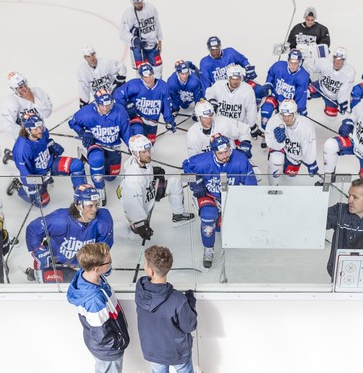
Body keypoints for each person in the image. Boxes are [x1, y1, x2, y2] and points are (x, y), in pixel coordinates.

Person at [182, 133, 258, 268]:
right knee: (208, 217)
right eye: (221, 153)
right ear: (213, 152)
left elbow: (251, 185)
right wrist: (197, 182)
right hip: (209, 195)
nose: (225, 156)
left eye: (227, 151)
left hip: (230, 196)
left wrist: (248, 200)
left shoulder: (240, 159)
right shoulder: (202, 161)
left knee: (222, 226)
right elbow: (186, 165)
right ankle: (208, 249)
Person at [25, 184, 113, 283]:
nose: (95, 209)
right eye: (90, 205)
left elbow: (103, 247)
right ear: (78, 205)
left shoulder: (103, 220)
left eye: (96, 204)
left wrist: (101, 261)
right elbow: (33, 229)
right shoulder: (60, 220)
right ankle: (36, 275)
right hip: (56, 261)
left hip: (84, 265)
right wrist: (38, 250)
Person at [67, 243, 130, 373]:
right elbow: (101, 336)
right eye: (109, 262)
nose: (111, 264)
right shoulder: (95, 301)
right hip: (108, 351)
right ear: (96, 268)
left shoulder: (86, 274)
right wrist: (120, 341)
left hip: (101, 346)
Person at [119, 134, 194, 241]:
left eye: (149, 150)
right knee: (135, 235)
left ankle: (178, 216)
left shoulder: (140, 161)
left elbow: (144, 172)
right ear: (135, 153)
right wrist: (140, 224)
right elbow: (131, 204)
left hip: (148, 192)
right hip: (138, 204)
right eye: (144, 152)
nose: (148, 154)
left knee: (174, 183)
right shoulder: (133, 179)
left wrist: (153, 172)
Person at [136, 245, 197, 373]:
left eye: (145, 264)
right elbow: (189, 326)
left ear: (151, 271)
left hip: (153, 351)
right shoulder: (178, 300)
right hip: (177, 353)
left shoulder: (140, 291)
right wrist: (190, 302)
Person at [7, 113, 87, 207]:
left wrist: (51, 145)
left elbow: (45, 140)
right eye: (36, 129)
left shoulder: (42, 132)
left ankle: (83, 197)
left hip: (50, 163)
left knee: (77, 165)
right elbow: (25, 174)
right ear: (27, 130)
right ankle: (18, 186)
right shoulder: (22, 149)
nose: (40, 130)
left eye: (40, 127)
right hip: (38, 175)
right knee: (42, 202)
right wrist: (33, 188)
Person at [69, 88, 131, 206]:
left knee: (111, 177)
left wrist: (132, 146)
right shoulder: (87, 112)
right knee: (97, 160)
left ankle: (84, 156)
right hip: (96, 144)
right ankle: (100, 189)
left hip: (113, 146)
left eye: (109, 104)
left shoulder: (120, 110)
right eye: (102, 105)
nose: (106, 108)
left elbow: (125, 131)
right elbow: (72, 122)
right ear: (96, 103)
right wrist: (83, 132)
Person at [113, 63, 177, 144]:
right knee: (137, 142)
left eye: (150, 75)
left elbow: (166, 106)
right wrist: (127, 105)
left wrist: (169, 121)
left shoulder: (163, 87)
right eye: (145, 77)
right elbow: (117, 95)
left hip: (152, 122)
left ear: (153, 73)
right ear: (142, 77)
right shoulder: (134, 85)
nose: (149, 79)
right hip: (137, 118)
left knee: (149, 145)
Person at [0, 71, 53, 164]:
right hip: (24, 137)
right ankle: (13, 154)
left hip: (41, 131)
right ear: (14, 89)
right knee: (29, 157)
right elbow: (8, 126)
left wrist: (33, 99)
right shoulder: (10, 102)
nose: (25, 89)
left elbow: (47, 113)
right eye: (20, 87)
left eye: (24, 84)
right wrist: (28, 135)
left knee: (47, 154)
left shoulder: (38, 92)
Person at [264, 99, 320, 185]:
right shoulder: (274, 121)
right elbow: (270, 143)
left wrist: (310, 162)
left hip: (294, 154)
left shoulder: (306, 127)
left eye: (289, 116)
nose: (286, 119)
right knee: (276, 160)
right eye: (284, 115)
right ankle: (273, 187)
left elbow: (309, 146)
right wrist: (278, 141)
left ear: (295, 114)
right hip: (280, 149)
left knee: (289, 176)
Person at [204, 64, 260, 142]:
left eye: (238, 79)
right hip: (220, 125)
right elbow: (208, 92)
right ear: (228, 78)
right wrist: (211, 100)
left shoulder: (247, 89)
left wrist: (252, 125)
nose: (235, 81)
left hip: (238, 126)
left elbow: (251, 109)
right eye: (233, 79)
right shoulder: (218, 85)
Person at [260, 49, 310, 130]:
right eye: (291, 62)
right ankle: (266, 133)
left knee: (289, 123)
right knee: (266, 110)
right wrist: (268, 84)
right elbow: (271, 74)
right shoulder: (279, 66)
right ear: (288, 61)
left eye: (295, 63)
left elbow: (300, 96)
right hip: (275, 97)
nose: (293, 66)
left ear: (300, 63)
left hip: (289, 102)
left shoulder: (303, 76)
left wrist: (300, 110)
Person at [119, 0, 164, 78]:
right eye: (135, 3)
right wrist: (134, 40)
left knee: (158, 68)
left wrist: (159, 39)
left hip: (152, 45)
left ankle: (159, 89)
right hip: (138, 49)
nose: (137, 5)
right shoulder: (128, 14)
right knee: (141, 71)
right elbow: (123, 32)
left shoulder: (151, 8)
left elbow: (156, 23)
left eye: (139, 2)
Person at [186, 99, 252, 158]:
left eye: (210, 115)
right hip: (208, 165)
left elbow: (244, 129)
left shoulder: (223, 122)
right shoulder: (193, 133)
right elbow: (194, 159)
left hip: (231, 159)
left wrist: (245, 143)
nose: (209, 120)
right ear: (198, 118)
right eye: (205, 117)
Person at [304, 46, 355, 117]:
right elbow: (307, 64)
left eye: (340, 60)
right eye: (335, 58)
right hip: (319, 87)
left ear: (344, 60)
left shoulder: (349, 72)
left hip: (333, 97)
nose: (337, 62)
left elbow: (344, 89)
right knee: (304, 92)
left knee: (330, 117)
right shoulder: (325, 62)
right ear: (333, 57)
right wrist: (305, 78)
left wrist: (342, 102)